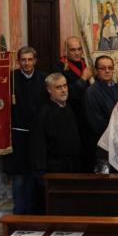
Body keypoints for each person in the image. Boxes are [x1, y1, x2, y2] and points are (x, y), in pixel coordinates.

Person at [30, 73, 82, 213]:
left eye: (65, 86)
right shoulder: (44, 113)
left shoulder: (69, 108)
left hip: (72, 168)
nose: (64, 90)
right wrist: (41, 173)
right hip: (55, 171)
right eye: (58, 87)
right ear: (49, 90)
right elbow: (38, 146)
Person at [5, 46, 48, 215]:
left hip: (38, 136)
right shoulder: (11, 79)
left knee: (35, 177)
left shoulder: (44, 79)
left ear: (35, 61)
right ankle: (19, 216)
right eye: (24, 60)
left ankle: (34, 215)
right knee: (19, 178)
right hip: (18, 135)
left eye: (30, 60)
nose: (27, 63)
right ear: (18, 61)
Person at [83, 56, 118, 171]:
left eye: (110, 68)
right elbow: (96, 123)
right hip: (103, 145)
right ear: (96, 71)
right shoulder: (91, 92)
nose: (107, 70)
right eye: (103, 68)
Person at [56, 36, 92, 149]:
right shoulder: (60, 66)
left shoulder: (85, 62)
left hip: (87, 112)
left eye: (79, 49)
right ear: (65, 51)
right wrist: (83, 79)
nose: (77, 53)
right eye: (73, 50)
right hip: (72, 113)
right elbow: (66, 94)